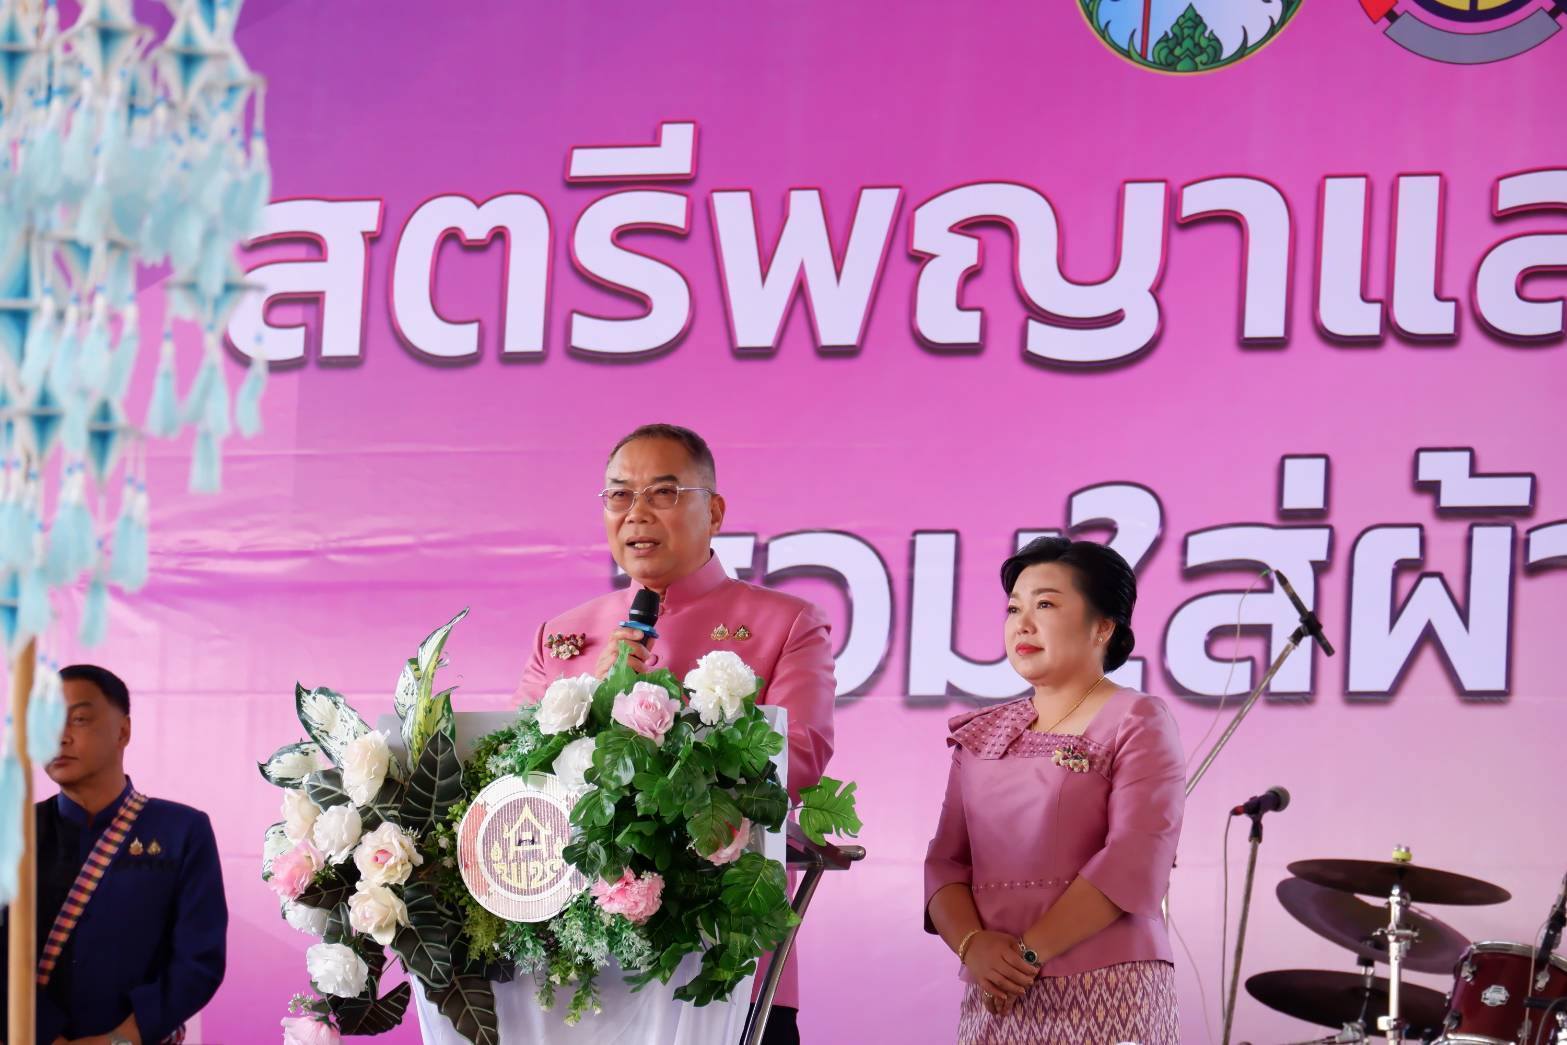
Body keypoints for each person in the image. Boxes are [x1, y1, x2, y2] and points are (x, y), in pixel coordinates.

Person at [515, 423, 836, 1045]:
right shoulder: (562, 635)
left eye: (663, 493)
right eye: (619, 495)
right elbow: (509, 775)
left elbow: (797, 762)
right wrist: (597, 704)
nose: (636, 513)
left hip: (724, 958)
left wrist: (661, 731)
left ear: (713, 511)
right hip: (572, 969)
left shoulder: (786, 623)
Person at [923, 537, 1184, 1044]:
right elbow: (946, 863)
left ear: (1103, 626)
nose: (1022, 623)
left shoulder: (1137, 718)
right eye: (1013, 608)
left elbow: (1135, 856)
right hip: (997, 991)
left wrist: (1026, 954)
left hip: (1109, 987)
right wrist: (974, 946)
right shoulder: (982, 732)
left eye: (1045, 605)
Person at [0, 664, 228, 1045]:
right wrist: (44, 1035)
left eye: (79, 719)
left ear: (123, 731)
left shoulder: (183, 830)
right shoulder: (13, 832)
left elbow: (199, 959)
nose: (59, 737)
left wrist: (122, 1039)